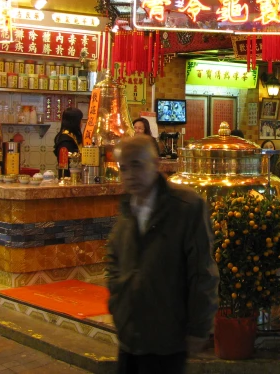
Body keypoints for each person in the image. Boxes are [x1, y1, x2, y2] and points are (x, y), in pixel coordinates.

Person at [105, 135, 218, 374]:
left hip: (167, 338)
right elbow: (114, 260)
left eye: (137, 164)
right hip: (130, 336)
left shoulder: (186, 206)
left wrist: (199, 329)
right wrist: (118, 304)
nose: (130, 175)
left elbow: (202, 272)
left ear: (156, 164)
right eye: (123, 168)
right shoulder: (128, 208)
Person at [53, 107, 83, 177]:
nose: (82, 123)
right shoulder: (66, 140)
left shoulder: (71, 136)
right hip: (69, 178)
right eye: (80, 120)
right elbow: (69, 165)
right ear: (74, 122)